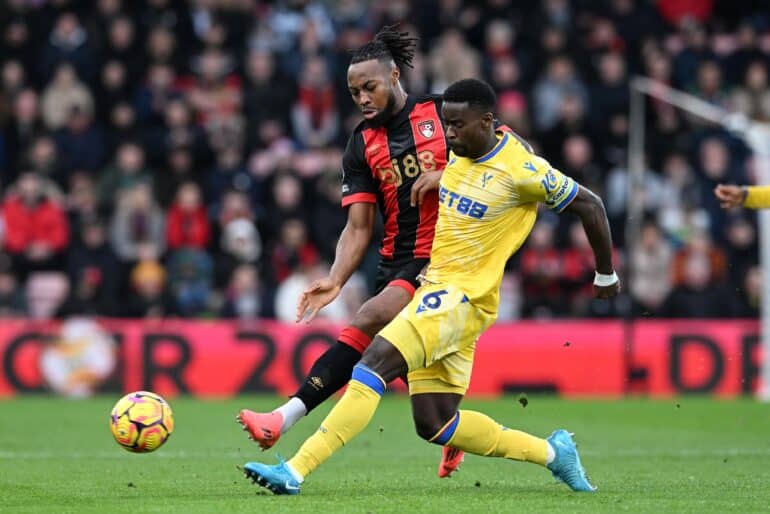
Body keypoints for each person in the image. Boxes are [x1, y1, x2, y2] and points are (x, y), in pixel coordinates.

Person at [242, 78, 620, 495]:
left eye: (458, 125)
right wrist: (440, 175)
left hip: (461, 298)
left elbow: (591, 204)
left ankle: (294, 471)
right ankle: (554, 453)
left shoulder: (523, 170)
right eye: (446, 124)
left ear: (488, 122)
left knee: (374, 363)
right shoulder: (461, 156)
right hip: (440, 292)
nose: (450, 133)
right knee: (436, 423)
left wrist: (606, 274)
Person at [237, 26, 465, 477]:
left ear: (394, 75)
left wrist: (449, 176)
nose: (362, 97)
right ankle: (456, 434)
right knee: (432, 416)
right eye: (353, 91)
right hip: (396, 262)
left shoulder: (442, 112)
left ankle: (282, 420)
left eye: (369, 86)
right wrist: (337, 278)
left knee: (367, 322)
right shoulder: (361, 145)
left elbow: (511, 157)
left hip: (447, 259)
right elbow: (358, 227)